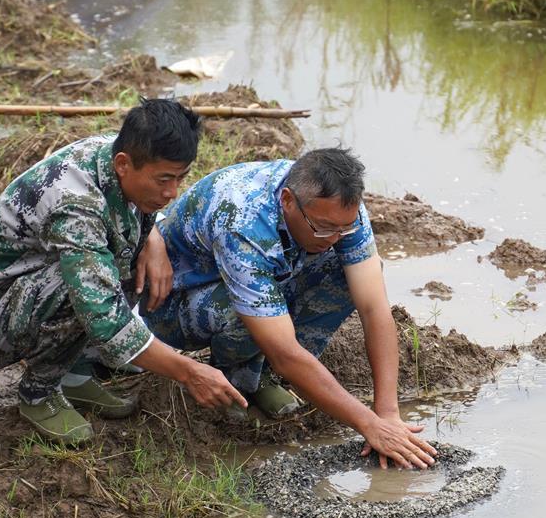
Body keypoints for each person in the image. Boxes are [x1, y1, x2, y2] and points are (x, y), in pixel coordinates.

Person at [0, 98, 246, 445]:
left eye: (180, 178)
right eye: (163, 179)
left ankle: (75, 374)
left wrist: (153, 237)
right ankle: (38, 393)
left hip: (23, 289)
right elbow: (104, 315)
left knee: (123, 251)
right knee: (83, 286)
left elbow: (124, 227)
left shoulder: (117, 155)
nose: (172, 193)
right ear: (123, 164)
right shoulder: (76, 204)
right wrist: (188, 371)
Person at [144, 148, 437, 470]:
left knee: (350, 276)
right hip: (174, 303)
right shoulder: (243, 220)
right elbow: (284, 352)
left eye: (343, 229)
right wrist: (369, 424)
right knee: (243, 312)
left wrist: (388, 413)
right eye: (323, 227)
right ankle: (236, 378)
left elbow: (373, 308)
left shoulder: (340, 208)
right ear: (287, 201)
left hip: (259, 277)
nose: (334, 238)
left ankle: (263, 375)